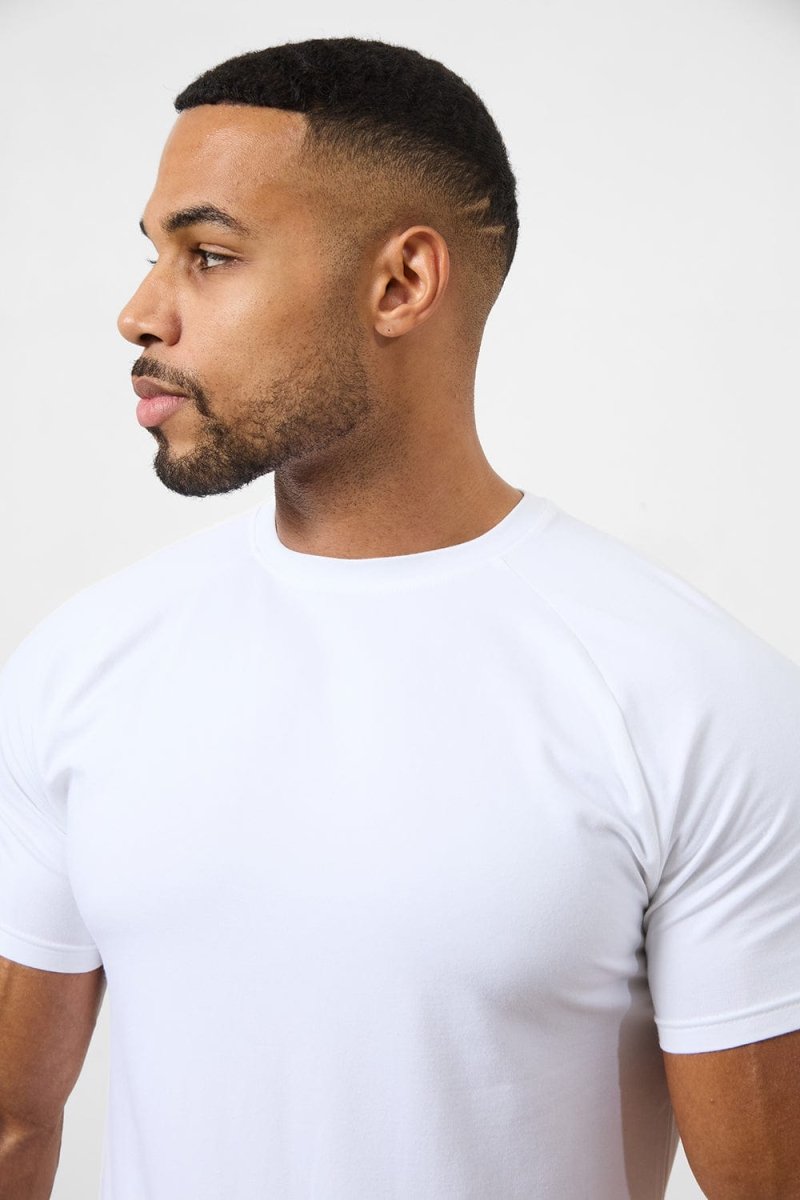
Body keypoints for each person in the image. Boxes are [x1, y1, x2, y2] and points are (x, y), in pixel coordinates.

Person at [0, 35, 798, 1200]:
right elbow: (13, 1122)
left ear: (399, 284)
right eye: (152, 255)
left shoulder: (692, 699)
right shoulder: (83, 663)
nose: (139, 313)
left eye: (208, 256)